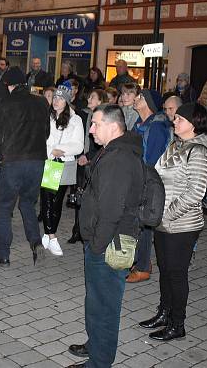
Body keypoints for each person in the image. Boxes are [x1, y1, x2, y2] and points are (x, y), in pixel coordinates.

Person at [66, 105, 146, 368]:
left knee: (104, 308)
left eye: (96, 124)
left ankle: (99, 362)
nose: (91, 129)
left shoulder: (118, 159)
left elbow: (112, 209)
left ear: (113, 127)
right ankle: (96, 345)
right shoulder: (112, 152)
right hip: (103, 242)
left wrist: (97, 246)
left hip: (109, 245)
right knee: (96, 302)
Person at [139, 102, 207, 342]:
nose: (174, 121)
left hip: (181, 224)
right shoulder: (176, 144)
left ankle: (177, 323)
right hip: (163, 221)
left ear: (194, 124)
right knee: (165, 271)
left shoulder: (199, 151)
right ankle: (164, 312)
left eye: (180, 118)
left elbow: (196, 192)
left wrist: (167, 213)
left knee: (177, 274)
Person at [0, 67, 50, 266]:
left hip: (14, 162)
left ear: (9, 85)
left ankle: (2, 253)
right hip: (38, 162)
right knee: (28, 203)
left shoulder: (5, 103)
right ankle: (36, 242)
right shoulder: (41, 102)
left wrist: (5, 155)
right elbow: (46, 132)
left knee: (4, 207)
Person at [127, 88, 172, 285]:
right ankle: (141, 261)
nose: (136, 99)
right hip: (136, 177)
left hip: (147, 181)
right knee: (137, 223)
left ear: (148, 103)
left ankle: (143, 267)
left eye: (140, 97)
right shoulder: (140, 123)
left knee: (144, 224)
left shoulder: (156, 128)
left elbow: (151, 161)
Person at [40, 83, 84, 257]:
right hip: (50, 163)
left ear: (67, 101)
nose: (56, 101)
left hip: (64, 163)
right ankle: (52, 237)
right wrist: (52, 150)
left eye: (60, 98)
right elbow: (40, 138)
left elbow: (78, 145)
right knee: (47, 200)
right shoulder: (47, 117)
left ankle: (48, 234)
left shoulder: (75, 119)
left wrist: (62, 149)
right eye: (54, 98)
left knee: (57, 202)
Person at [69, 88, 107, 244]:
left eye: (93, 97)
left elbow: (101, 145)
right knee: (78, 194)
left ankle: (87, 230)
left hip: (92, 162)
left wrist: (88, 157)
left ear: (100, 101)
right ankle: (77, 229)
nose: (89, 99)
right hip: (81, 159)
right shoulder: (84, 115)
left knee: (89, 198)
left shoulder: (103, 119)